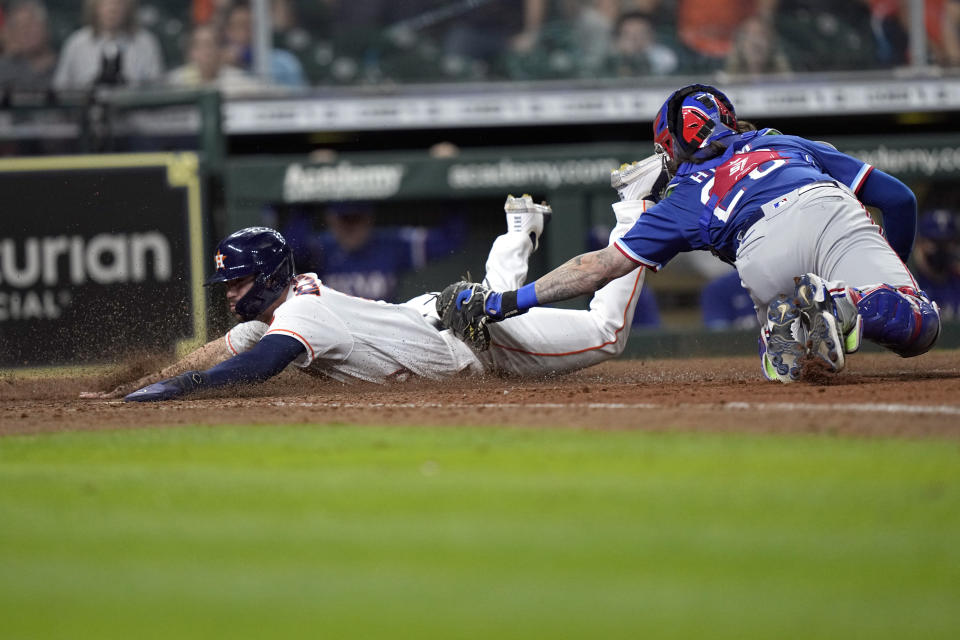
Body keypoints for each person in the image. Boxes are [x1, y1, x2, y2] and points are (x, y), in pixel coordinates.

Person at [439, 83, 940, 382]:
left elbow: (598, 268)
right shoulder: (782, 140)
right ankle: (845, 301)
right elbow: (899, 199)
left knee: (798, 361)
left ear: (671, 145)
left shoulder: (681, 195)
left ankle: (792, 327)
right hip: (826, 209)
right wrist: (888, 270)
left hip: (760, 253)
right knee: (919, 326)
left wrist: (502, 303)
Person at [90, 194, 646, 401]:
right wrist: (140, 386)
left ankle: (636, 211)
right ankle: (518, 228)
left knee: (607, 333)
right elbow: (217, 352)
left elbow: (256, 367)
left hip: (477, 346)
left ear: (264, 278)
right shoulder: (279, 309)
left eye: (237, 281)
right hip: (441, 319)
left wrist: (179, 392)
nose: (230, 292)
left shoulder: (301, 312)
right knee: (495, 300)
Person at [276, 202, 467, 303]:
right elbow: (290, 252)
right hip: (334, 332)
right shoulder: (320, 248)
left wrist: (444, 177)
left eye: (356, 219)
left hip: (382, 331)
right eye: (344, 219)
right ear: (331, 219)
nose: (350, 227)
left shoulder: (391, 244)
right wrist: (303, 206)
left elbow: (449, 240)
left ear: (369, 218)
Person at [52, 0, 164, 91]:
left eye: (118, 3)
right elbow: (60, 89)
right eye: (106, 3)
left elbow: (157, 88)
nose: (112, 9)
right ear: (94, 6)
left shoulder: (146, 43)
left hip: (137, 115)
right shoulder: (76, 44)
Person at [221, 0, 306, 88]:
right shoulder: (218, 66)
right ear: (227, 31)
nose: (245, 33)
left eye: (250, 26)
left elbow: (299, 97)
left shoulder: (284, 63)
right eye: (239, 26)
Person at [167, 23, 262, 94]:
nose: (205, 51)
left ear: (219, 50)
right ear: (191, 53)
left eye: (209, 44)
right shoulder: (176, 82)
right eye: (199, 46)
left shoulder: (239, 82)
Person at [911, 208, 960, 319]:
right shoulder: (908, 285)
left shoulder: (957, 281)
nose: (941, 249)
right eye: (934, 242)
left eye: (946, 243)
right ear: (919, 243)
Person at [0, 0, 57, 91]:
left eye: (31, 24)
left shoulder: (64, 64)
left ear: (45, 26)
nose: (26, 32)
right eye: (20, 27)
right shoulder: (4, 69)